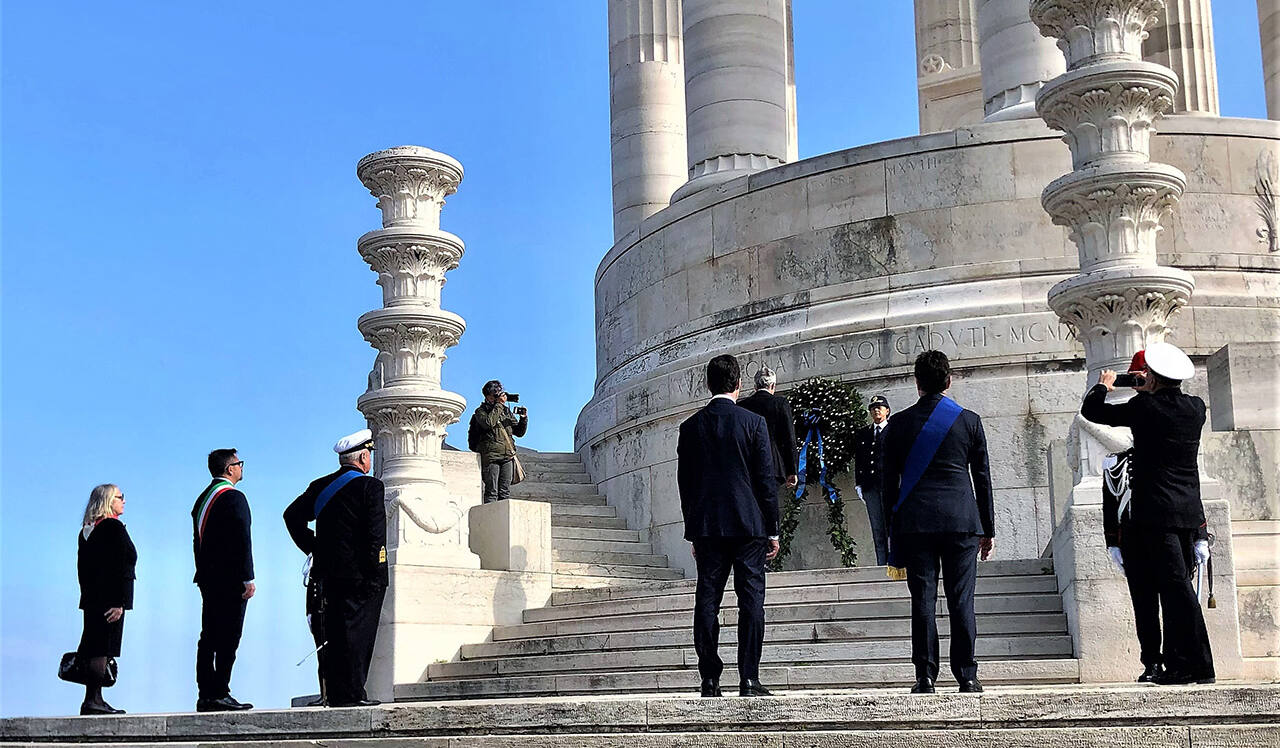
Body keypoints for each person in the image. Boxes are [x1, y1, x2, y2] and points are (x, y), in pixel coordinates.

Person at [1083, 341, 1215, 686]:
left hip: (1156, 514)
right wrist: (1149, 389)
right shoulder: (1195, 408)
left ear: (1153, 378)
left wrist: (1105, 384)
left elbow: (1093, 412)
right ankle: (1180, 663)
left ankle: (1197, 665)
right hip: (1186, 513)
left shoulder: (1145, 409)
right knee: (1177, 590)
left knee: (1176, 592)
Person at [883, 351, 994, 694]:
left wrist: (893, 528)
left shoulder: (897, 425)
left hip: (916, 524)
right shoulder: (969, 421)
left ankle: (926, 675)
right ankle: (967, 675)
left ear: (916, 384)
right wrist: (988, 529)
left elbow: (889, 485)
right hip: (962, 521)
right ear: (949, 381)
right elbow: (983, 479)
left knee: (923, 600)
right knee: (962, 600)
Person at [677, 354, 780, 698]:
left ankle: (710, 678)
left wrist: (693, 529)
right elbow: (765, 481)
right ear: (738, 384)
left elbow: (685, 484)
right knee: (751, 600)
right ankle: (749, 678)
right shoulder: (753, 423)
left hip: (708, 525)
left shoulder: (691, 427)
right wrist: (773, 528)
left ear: (708, 384)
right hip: (749, 523)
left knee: (707, 599)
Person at [284, 429, 388, 707]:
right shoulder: (371, 487)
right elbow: (376, 536)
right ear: (364, 457)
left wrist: (314, 546)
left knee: (329, 633)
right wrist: (378, 573)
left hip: (326, 574)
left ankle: (329, 692)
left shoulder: (320, 486)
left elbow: (291, 516)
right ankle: (352, 693)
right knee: (357, 635)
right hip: (361, 576)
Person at [191, 448, 255, 712]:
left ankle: (206, 692)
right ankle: (220, 691)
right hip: (230, 580)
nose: (241, 468)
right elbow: (242, 540)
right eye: (239, 463)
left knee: (208, 637)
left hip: (208, 578)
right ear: (230, 469)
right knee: (229, 637)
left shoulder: (202, 499)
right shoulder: (233, 498)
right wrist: (247, 577)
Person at [76, 483, 137, 715]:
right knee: (101, 648)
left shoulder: (87, 530)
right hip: (109, 599)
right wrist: (119, 601)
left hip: (93, 598)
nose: (124, 501)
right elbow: (119, 565)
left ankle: (94, 699)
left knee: (95, 646)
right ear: (108, 501)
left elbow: (84, 569)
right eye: (120, 497)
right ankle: (94, 699)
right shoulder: (112, 527)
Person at [737, 366, 799, 494]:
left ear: (755, 387)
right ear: (773, 386)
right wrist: (792, 470)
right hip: (773, 465)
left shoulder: (742, 406)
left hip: (748, 466)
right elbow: (789, 438)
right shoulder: (780, 403)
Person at [467, 380, 528, 503]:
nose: (498, 397)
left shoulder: (505, 411)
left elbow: (519, 432)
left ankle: (502, 521)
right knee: (492, 492)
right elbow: (488, 423)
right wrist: (499, 405)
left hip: (508, 456)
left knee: (504, 492)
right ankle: (490, 520)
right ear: (488, 396)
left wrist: (523, 419)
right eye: (495, 395)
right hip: (491, 457)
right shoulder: (481, 411)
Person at [854, 395, 892, 565]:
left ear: (887, 411)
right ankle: (882, 564)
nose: (876, 410)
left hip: (890, 487)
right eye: (873, 407)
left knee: (892, 528)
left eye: (880, 407)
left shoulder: (893, 430)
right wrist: (859, 484)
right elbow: (859, 459)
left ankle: (896, 564)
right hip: (871, 487)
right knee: (878, 529)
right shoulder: (864, 433)